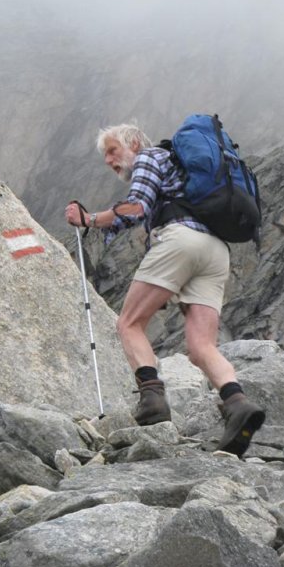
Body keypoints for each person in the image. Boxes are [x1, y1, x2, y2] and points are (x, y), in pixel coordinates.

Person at [64, 123, 265, 457]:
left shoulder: (149, 158)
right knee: (201, 347)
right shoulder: (179, 169)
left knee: (128, 324)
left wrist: (89, 219)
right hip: (215, 251)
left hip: (180, 240)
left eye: (112, 150)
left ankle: (152, 401)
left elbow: (137, 208)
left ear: (132, 142)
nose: (109, 161)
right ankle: (237, 403)